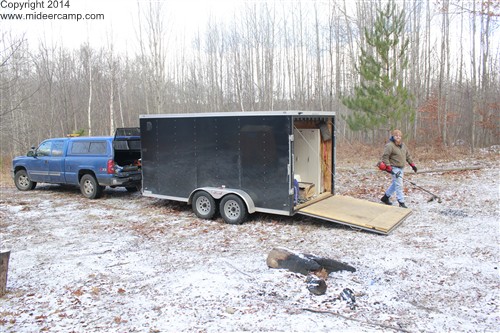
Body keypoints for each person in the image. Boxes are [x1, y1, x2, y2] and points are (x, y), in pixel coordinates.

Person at [378, 129, 417, 208]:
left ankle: (385, 198)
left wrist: (412, 165)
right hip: (394, 167)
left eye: (399, 136)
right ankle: (401, 202)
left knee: (395, 184)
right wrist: (389, 167)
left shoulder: (403, 146)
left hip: (401, 168)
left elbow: (408, 156)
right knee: (399, 185)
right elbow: (385, 157)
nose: (398, 137)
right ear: (393, 136)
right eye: (396, 136)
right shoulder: (390, 145)